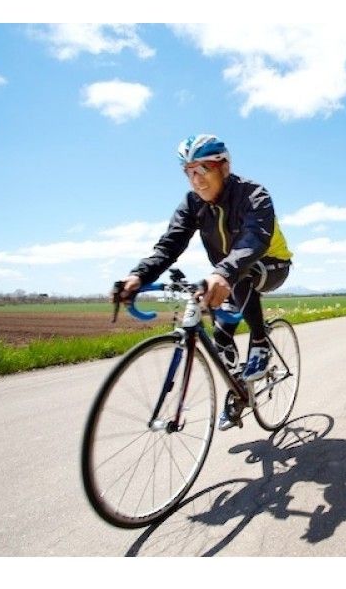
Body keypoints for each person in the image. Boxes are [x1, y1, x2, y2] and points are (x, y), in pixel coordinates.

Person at [115, 133, 293, 430]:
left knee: (243, 274)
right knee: (221, 335)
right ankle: (239, 392)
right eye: (188, 171)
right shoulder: (192, 203)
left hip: (271, 264)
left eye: (202, 169)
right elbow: (168, 246)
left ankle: (260, 344)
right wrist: (138, 275)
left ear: (223, 167)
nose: (196, 179)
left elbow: (254, 239)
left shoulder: (253, 194)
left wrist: (224, 272)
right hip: (229, 274)